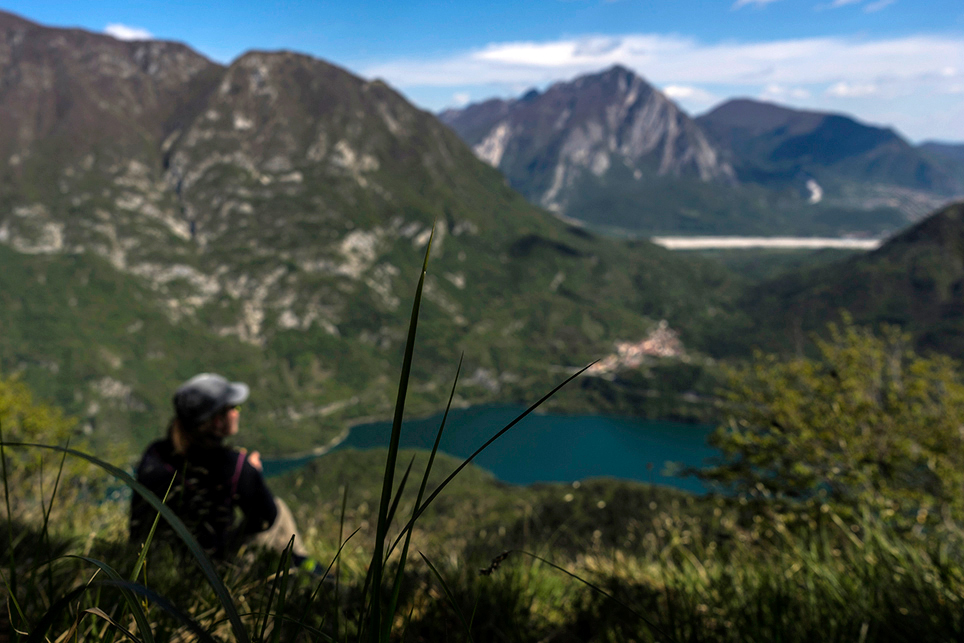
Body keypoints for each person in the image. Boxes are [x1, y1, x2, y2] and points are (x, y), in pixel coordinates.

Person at [129, 373, 317, 570]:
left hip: (149, 564)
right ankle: (304, 568)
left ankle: (301, 565)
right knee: (279, 510)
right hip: (211, 570)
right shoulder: (233, 466)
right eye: (233, 408)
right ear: (218, 421)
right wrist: (252, 475)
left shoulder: (155, 453)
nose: (236, 412)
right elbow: (265, 518)